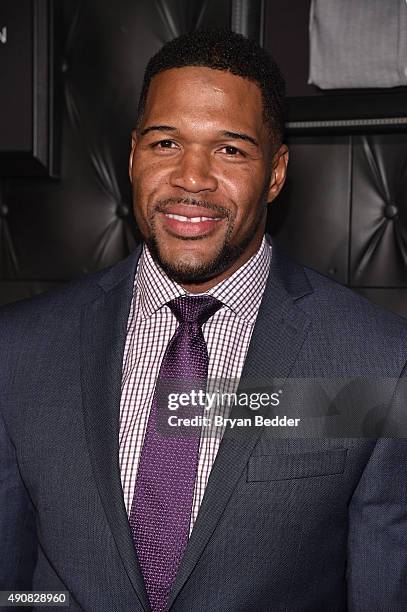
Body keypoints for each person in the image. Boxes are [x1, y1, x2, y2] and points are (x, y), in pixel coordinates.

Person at [1, 28, 407, 612]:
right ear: (133, 154)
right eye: (166, 143)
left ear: (276, 172)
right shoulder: (18, 349)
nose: (192, 178)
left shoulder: (378, 361)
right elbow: (13, 587)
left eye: (230, 149)